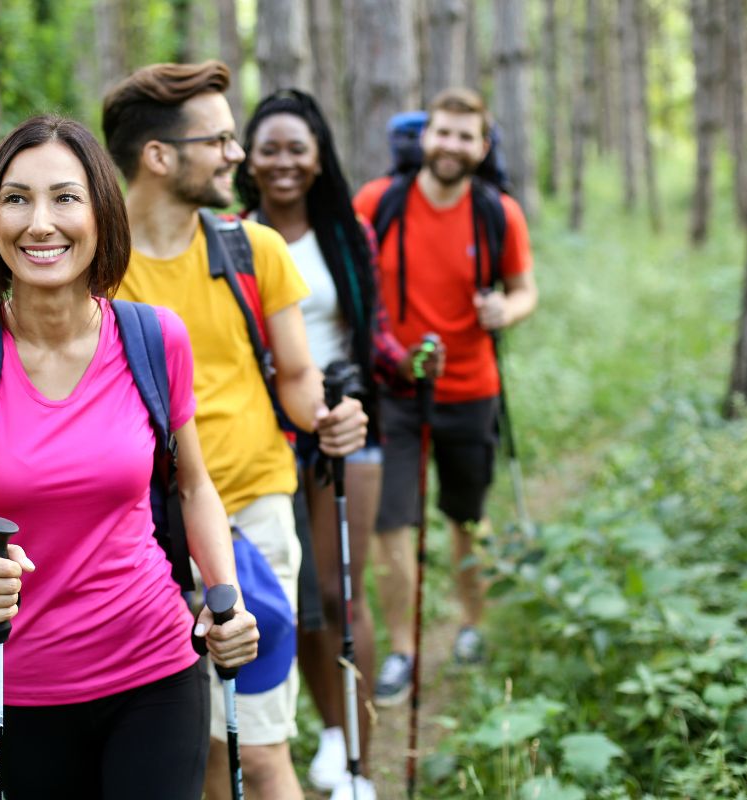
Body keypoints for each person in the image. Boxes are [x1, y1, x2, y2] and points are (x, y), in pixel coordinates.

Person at [0, 114, 258, 800]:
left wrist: (227, 602)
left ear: (101, 214)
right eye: (16, 199)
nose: (40, 223)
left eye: (65, 197)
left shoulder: (155, 338)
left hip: (156, 663)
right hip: (24, 679)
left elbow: (193, 489)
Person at [102, 62, 369, 800]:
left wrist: (324, 415)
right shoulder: (94, 266)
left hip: (250, 517)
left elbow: (294, 374)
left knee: (257, 743)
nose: (236, 154)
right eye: (218, 139)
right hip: (134, 541)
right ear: (159, 156)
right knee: (194, 747)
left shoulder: (255, 249)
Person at [234, 88, 441, 800]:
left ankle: (357, 760)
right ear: (248, 159)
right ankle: (325, 732)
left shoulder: (348, 234)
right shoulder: (231, 237)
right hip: (265, 432)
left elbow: (372, 327)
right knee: (294, 597)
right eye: (270, 148)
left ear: (319, 156)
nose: (284, 161)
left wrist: (407, 370)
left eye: (298, 147)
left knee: (337, 587)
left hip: (350, 425)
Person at [353, 88, 537, 703]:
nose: (452, 146)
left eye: (466, 136)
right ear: (423, 137)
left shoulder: (498, 213)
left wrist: (503, 310)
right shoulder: (378, 202)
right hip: (394, 390)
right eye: (443, 133)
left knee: (466, 518)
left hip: (471, 388)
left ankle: (472, 626)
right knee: (390, 524)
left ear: (483, 148)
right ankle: (403, 651)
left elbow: (525, 289)